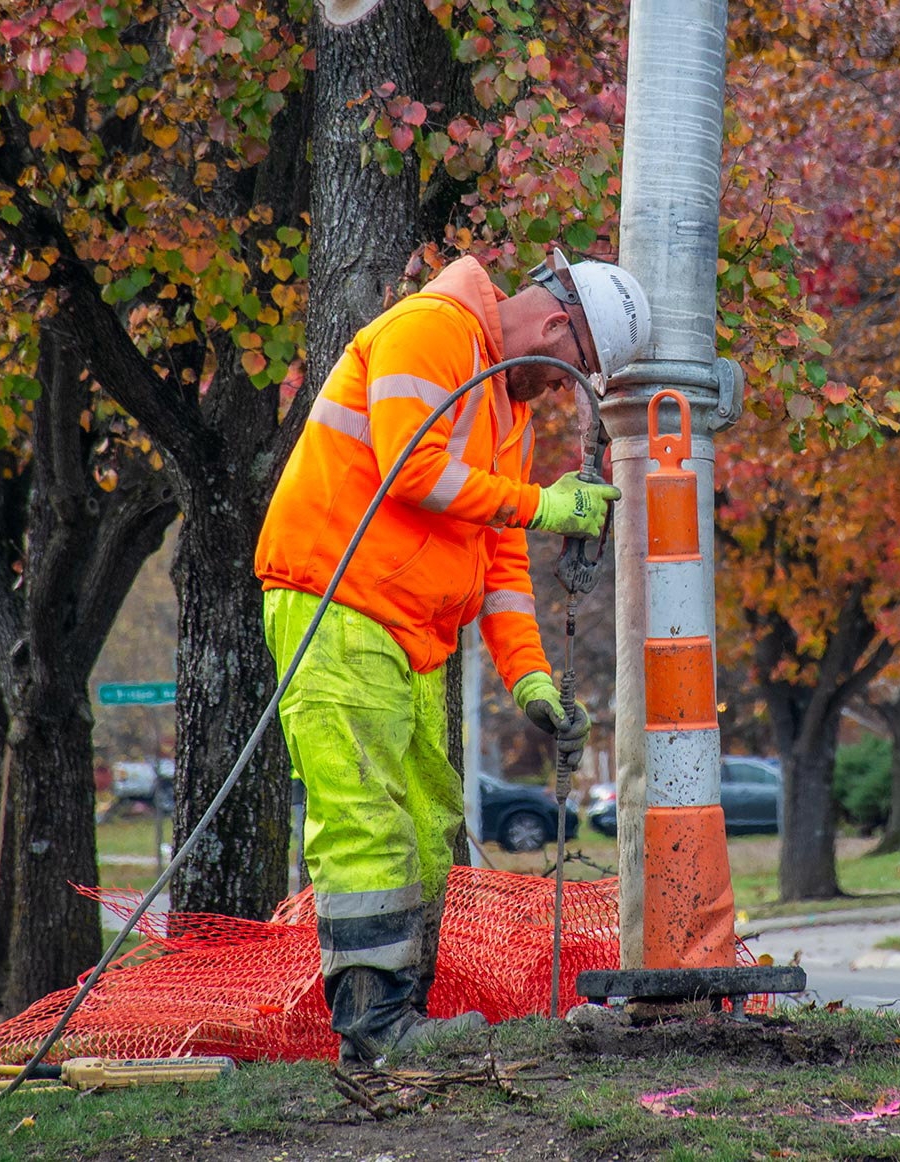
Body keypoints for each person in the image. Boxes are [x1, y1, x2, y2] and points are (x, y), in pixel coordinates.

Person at [255, 246, 650, 1068]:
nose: (556, 393)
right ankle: (375, 1033)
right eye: (567, 374)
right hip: (338, 602)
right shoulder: (431, 331)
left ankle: (404, 1019)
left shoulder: (502, 415)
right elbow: (411, 468)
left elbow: (498, 558)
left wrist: (532, 678)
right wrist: (544, 503)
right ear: (553, 327)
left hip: (404, 630)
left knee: (429, 823)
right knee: (368, 820)